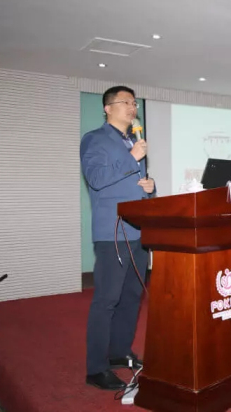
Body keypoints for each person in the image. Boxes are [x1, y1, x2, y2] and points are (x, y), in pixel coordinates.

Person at [80, 85, 156, 390]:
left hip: (138, 231)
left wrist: (150, 189)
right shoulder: (95, 139)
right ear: (108, 108)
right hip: (112, 231)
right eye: (126, 102)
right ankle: (96, 369)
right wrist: (131, 157)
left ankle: (118, 352)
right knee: (107, 300)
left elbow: (132, 185)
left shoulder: (134, 141)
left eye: (134, 103)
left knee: (131, 297)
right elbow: (96, 179)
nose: (133, 107)